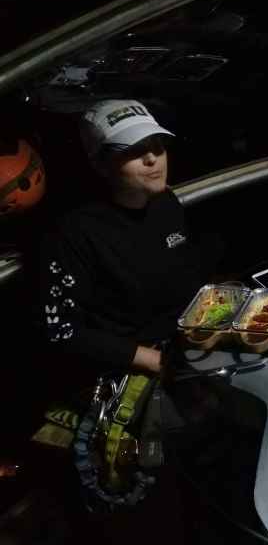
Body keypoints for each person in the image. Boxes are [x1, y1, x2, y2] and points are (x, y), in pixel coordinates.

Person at [39, 99, 205, 378]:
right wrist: (153, 360)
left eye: (157, 146)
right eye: (134, 150)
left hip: (188, 342)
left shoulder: (166, 202)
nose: (152, 158)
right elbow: (60, 329)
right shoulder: (73, 232)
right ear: (100, 165)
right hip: (132, 365)